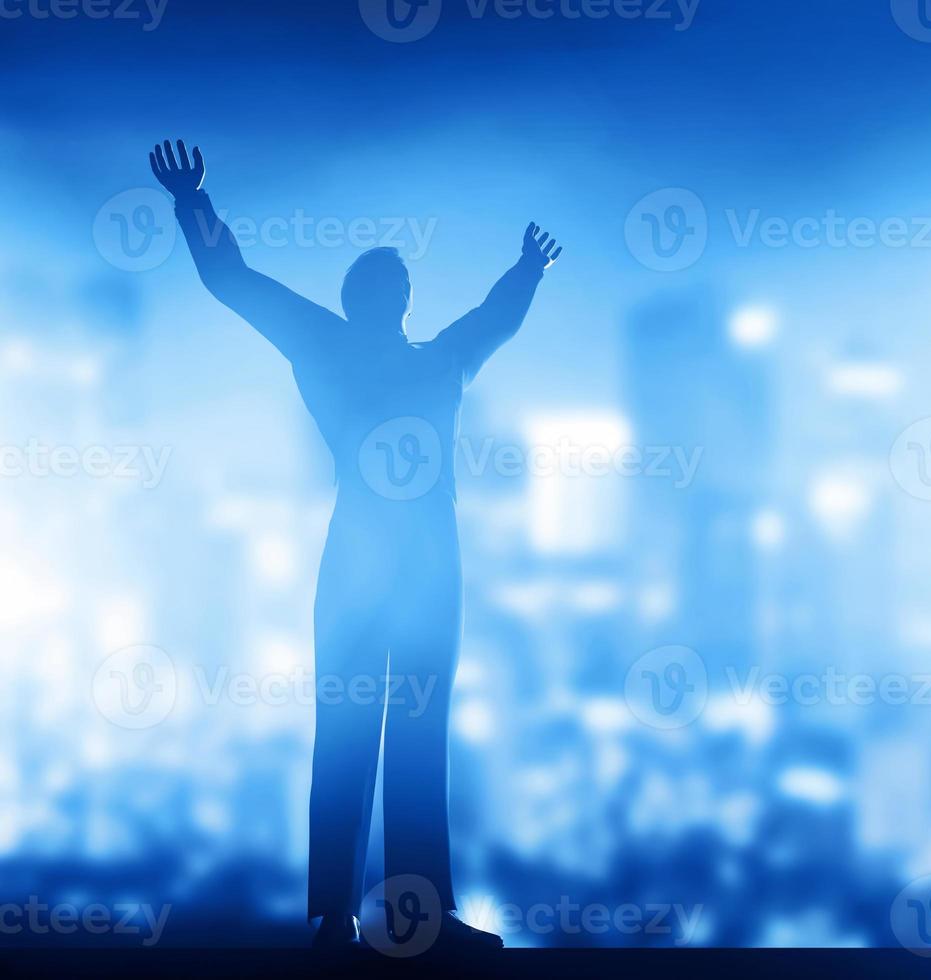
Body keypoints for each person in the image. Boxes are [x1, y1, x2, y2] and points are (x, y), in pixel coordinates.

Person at [150, 139, 561, 950]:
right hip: (398, 563)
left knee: (397, 735)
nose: (395, 290)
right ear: (366, 298)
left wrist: (527, 273)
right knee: (373, 732)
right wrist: (192, 203)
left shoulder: (390, 351)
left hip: (399, 566)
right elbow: (233, 279)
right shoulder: (371, 349)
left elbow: (493, 319)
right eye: (385, 282)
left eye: (400, 281)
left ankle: (390, 917)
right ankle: (354, 919)